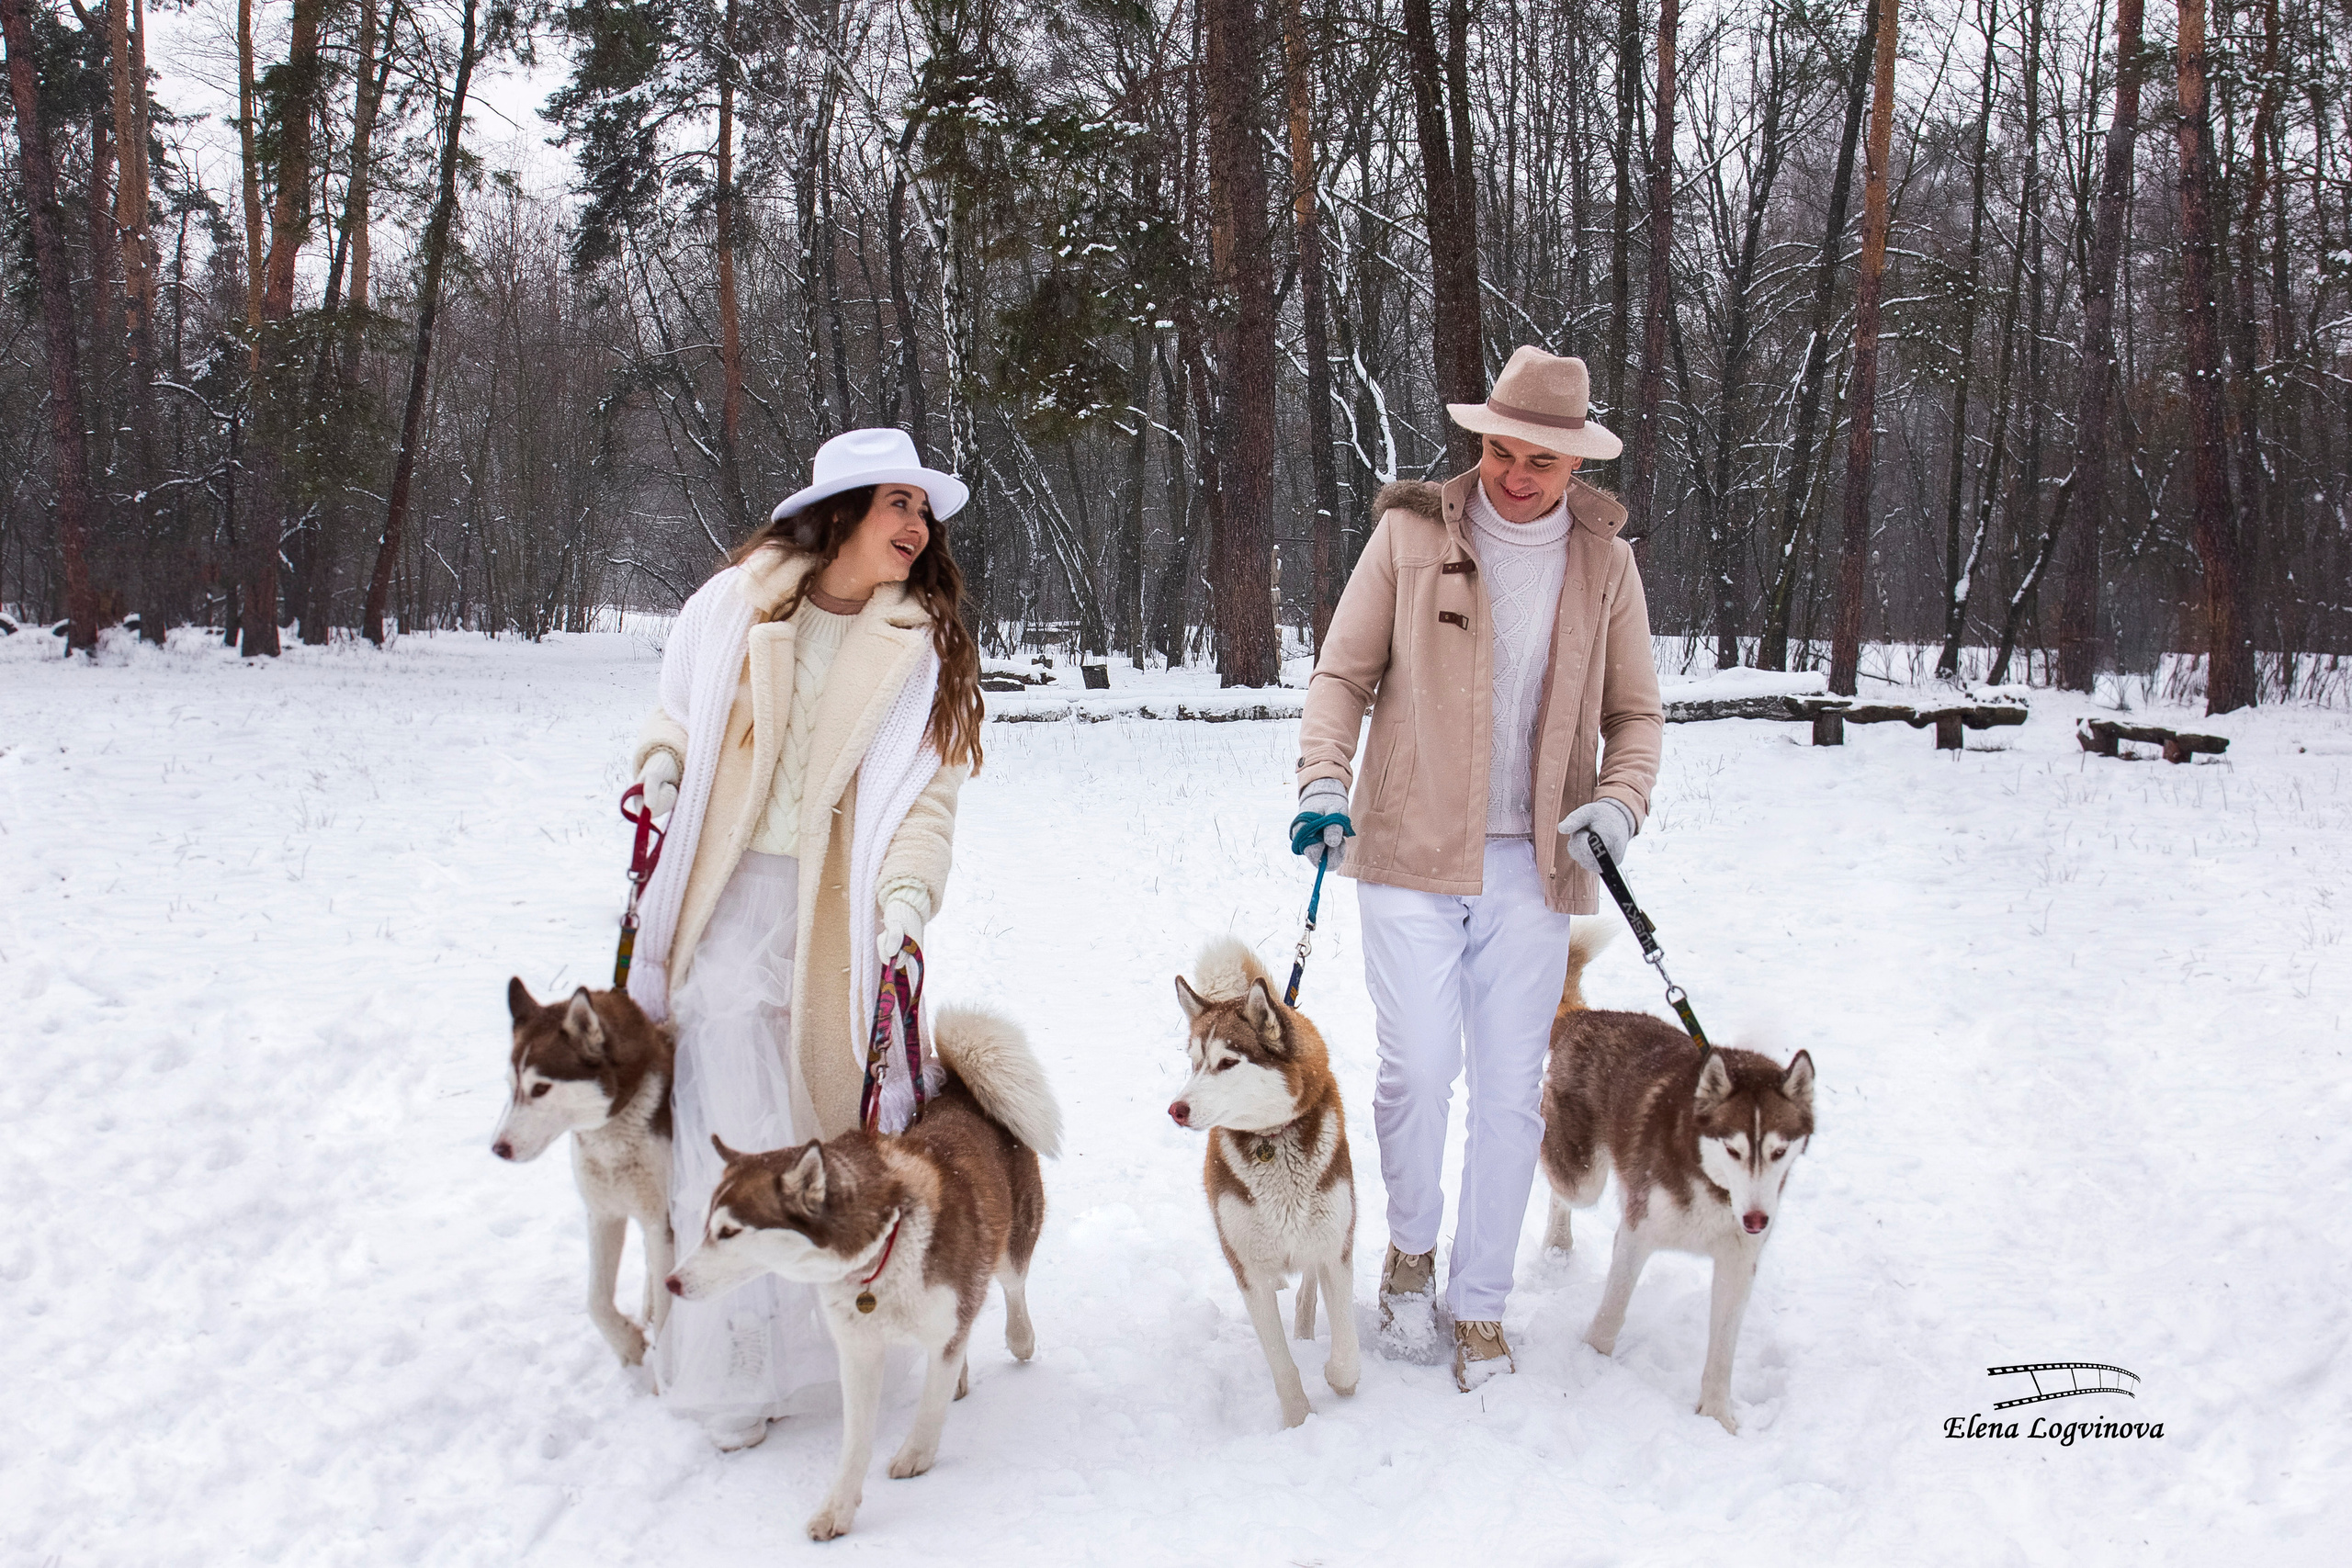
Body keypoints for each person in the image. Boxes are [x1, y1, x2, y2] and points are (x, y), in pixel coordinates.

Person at [1293, 346, 1663, 1391]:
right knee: (1415, 1071)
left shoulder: (1606, 567)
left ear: (1573, 464)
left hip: (1534, 868)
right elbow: (1341, 674)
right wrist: (1325, 785)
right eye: (1499, 450)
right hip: (1408, 853)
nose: (1513, 473)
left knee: (1509, 1094)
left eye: (1537, 460)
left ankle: (1481, 1302)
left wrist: (1619, 807)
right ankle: (1409, 1254)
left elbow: (1636, 715)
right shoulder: (1412, 534)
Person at [622, 427, 985, 1450]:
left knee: (821, 1133)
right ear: (842, 514)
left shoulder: (926, 650)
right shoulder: (734, 605)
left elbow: (929, 798)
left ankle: (822, 1344)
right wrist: (658, 771)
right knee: (726, 1132)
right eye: (898, 506)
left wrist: (909, 897)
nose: (918, 527)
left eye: (924, 511)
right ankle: (731, 1366)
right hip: (728, 899)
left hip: (835, 915)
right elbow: (675, 714)